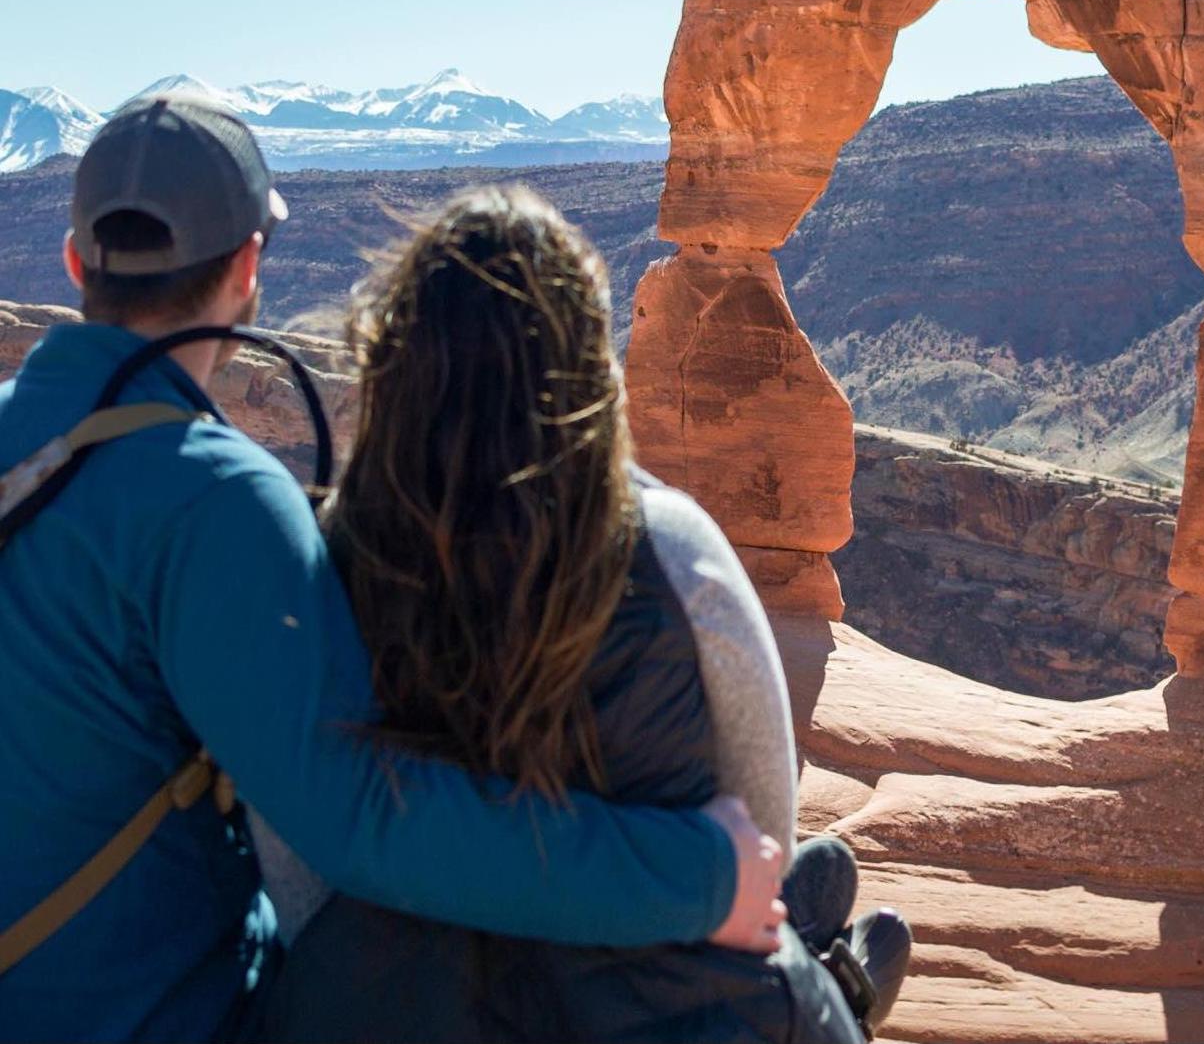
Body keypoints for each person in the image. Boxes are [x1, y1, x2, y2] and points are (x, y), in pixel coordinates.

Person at [0, 98, 786, 1043]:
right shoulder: (215, 497)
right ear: (249, 267)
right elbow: (358, 821)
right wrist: (700, 876)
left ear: (77, 263)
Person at [255, 184, 910, 1042]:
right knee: (801, 893)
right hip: (656, 1003)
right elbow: (758, 841)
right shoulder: (673, 551)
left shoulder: (316, 565)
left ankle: (830, 967)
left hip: (379, 1003)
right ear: (585, 366)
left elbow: (292, 870)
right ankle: (840, 987)